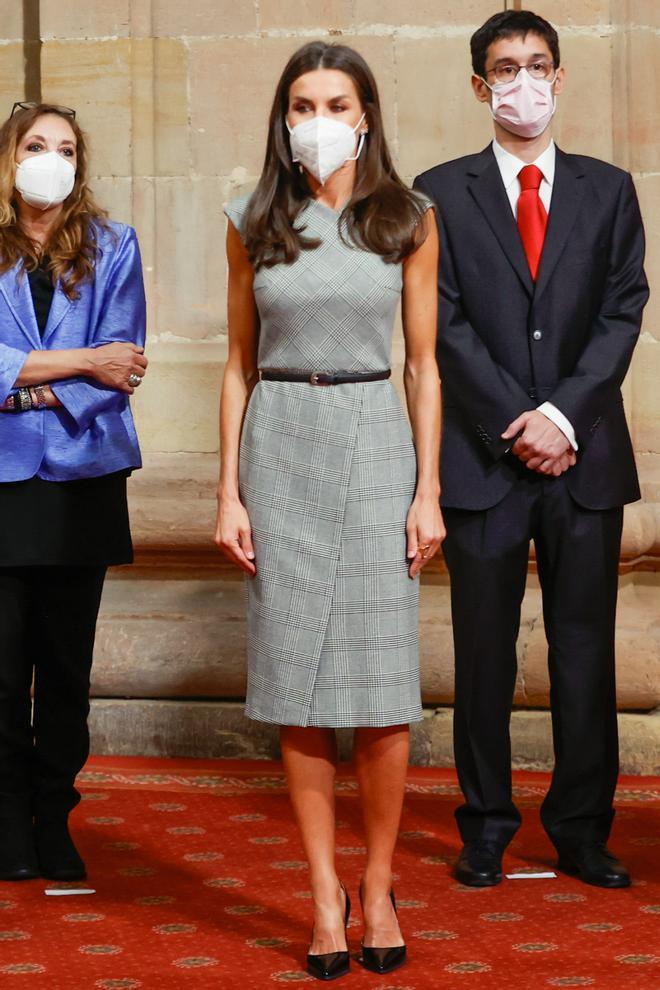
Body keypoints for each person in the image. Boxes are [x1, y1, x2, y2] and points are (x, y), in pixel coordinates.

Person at [216, 41, 443, 980]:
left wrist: (427, 489)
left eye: (335, 100)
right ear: (283, 116)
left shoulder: (410, 218)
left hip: (374, 441)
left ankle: (380, 883)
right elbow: (233, 363)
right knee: (297, 691)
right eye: (302, 101)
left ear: (365, 113)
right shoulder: (252, 218)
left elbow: (424, 365)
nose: (317, 115)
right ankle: (321, 892)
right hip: (281, 443)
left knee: (382, 691)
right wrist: (226, 491)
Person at [414, 9, 648, 890]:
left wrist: (564, 417)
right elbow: (442, 322)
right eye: (505, 69)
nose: (523, 82)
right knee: (483, 653)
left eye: (538, 65)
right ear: (480, 85)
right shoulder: (439, 191)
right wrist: (520, 420)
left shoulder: (609, 188)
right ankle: (485, 825)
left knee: (583, 652)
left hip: (585, 462)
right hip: (484, 460)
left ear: (560, 76)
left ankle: (582, 828)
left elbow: (623, 308)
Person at [0, 102, 147, 883]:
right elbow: (94, 362)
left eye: (63, 148)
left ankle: (54, 817)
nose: (48, 159)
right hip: (1, 483)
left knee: (64, 667)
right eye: (34, 145)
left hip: (82, 477)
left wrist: (25, 383)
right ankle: (4, 823)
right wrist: (79, 362)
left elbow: (123, 365)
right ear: (9, 157)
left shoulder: (113, 246)